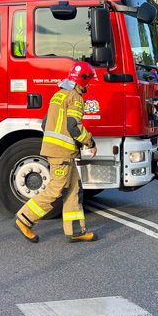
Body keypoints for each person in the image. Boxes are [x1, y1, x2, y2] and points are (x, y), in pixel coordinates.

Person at [15, 62, 98, 243]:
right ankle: (24, 219)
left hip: (60, 151)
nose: (89, 86)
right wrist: (90, 142)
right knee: (56, 190)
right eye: (88, 82)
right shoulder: (75, 97)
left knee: (74, 190)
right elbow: (73, 127)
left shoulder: (58, 95)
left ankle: (76, 231)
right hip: (62, 153)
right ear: (82, 81)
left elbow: (46, 124)